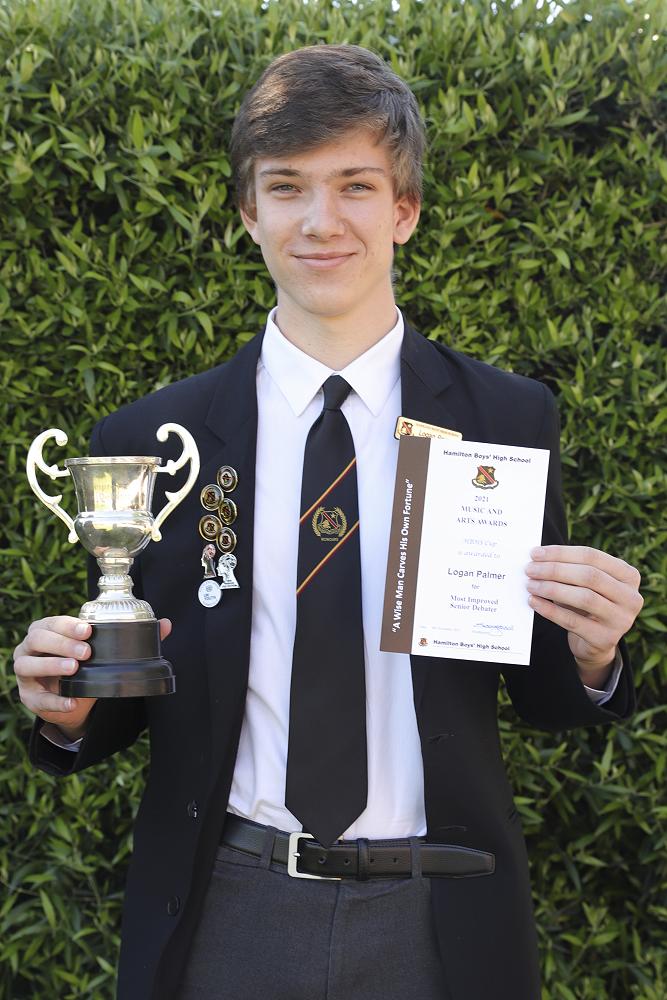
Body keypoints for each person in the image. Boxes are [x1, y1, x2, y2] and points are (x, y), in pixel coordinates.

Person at [13, 45, 643, 1000]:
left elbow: (542, 693)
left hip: (438, 915)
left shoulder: (505, 419)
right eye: (285, 187)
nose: (319, 221)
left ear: (404, 210)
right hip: (228, 906)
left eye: (355, 185)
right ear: (247, 213)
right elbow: (127, 698)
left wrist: (591, 656)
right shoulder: (157, 441)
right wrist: (68, 710)